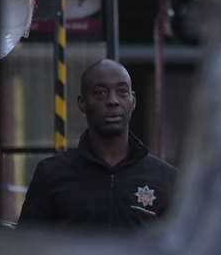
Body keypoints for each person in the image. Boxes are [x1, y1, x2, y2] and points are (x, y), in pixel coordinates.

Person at [16, 59, 176, 229]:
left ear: (133, 101)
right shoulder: (51, 174)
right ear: (82, 103)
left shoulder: (166, 178)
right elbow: (26, 247)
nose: (112, 101)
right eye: (100, 93)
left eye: (122, 92)